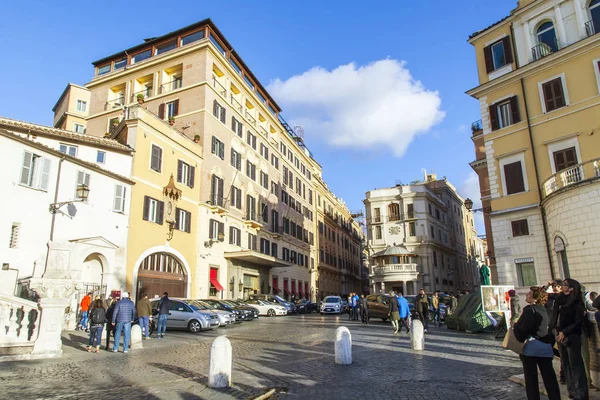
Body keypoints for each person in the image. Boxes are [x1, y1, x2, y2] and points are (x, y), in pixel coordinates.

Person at [513, 286, 560, 400]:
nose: (527, 295)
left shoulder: (530, 310)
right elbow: (552, 328)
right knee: (550, 378)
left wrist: (515, 327)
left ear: (535, 298)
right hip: (546, 347)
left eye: (529, 293)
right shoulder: (548, 310)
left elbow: (523, 329)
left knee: (531, 379)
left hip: (531, 348)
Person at [552, 278, 588, 400]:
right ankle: (571, 390)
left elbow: (578, 321)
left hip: (572, 336)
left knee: (576, 366)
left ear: (571, 288)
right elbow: (555, 315)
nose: (562, 286)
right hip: (559, 335)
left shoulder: (577, 303)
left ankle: (581, 394)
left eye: (565, 284)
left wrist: (565, 332)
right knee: (565, 364)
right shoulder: (560, 299)